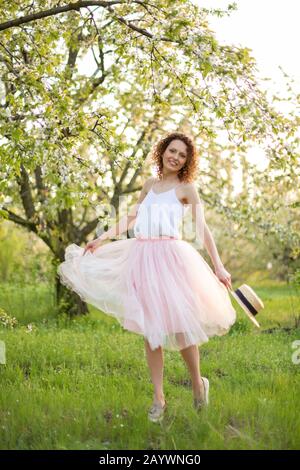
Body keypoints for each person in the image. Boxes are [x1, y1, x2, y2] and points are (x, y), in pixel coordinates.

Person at [57, 132, 236, 423]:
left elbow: (203, 230)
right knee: (151, 330)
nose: (175, 157)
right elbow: (131, 218)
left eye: (182, 155)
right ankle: (158, 398)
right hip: (142, 258)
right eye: (172, 151)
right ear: (162, 151)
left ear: (187, 162)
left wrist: (219, 266)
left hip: (171, 258)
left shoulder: (187, 188)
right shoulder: (150, 185)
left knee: (180, 328)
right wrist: (101, 239)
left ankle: (197, 384)